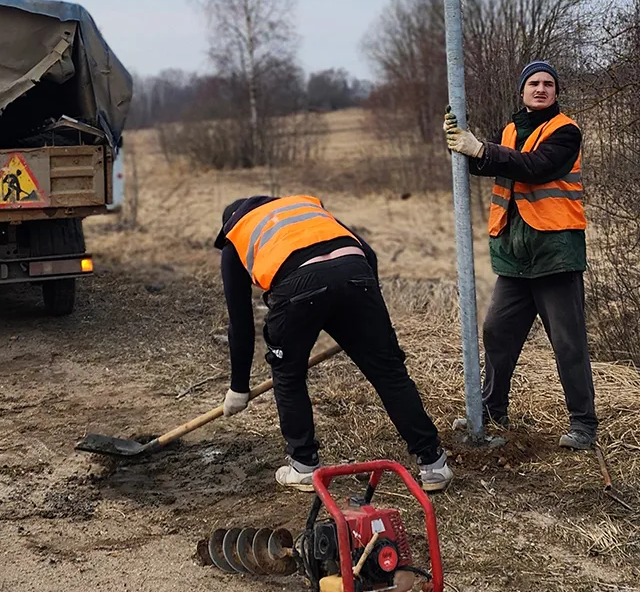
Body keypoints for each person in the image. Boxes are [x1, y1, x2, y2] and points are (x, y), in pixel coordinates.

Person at [214, 194, 453, 492]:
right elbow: (369, 254)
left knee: (288, 375)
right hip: (356, 275)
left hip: (297, 288)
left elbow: (240, 322)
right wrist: (370, 316)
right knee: (389, 372)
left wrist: (238, 388)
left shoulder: (236, 235)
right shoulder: (303, 208)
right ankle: (433, 464)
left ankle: (303, 467)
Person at [444, 60, 598, 450]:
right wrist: (463, 145)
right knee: (497, 330)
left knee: (568, 343)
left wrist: (483, 148)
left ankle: (583, 425)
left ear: (556, 92)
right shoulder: (511, 130)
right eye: (534, 83)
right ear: (522, 91)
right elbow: (494, 165)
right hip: (514, 255)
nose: (541, 89)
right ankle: (492, 410)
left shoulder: (565, 131)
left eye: (548, 84)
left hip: (554, 253)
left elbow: (536, 167)